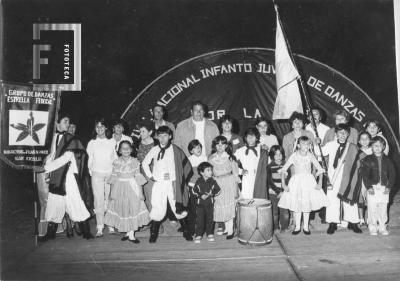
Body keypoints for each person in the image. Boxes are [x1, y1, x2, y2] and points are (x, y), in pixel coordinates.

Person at [37, 114, 94, 241]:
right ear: (57, 124)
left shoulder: (71, 139)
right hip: (55, 176)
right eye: (65, 122)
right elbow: (52, 156)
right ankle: (50, 233)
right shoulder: (51, 139)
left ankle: (86, 231)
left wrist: (45, 169)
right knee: (54, 202)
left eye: (68, 122)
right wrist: (45, 168)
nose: (68, 125)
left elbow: (65, 158)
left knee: (75, 201)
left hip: (68, 176)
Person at [142, 126, 193, 243]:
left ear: (170, 136)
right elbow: (145, 163)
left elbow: (185, 165)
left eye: (165, 135)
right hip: (159, 184)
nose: (162, 138)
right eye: (160, 136)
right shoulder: (154, 149)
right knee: (157, 206)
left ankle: (186, 231)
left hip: (173, 183)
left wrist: (177, 178)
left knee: (177, 207)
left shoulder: (176, 149)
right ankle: (154, 233)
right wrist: (152, 176)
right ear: (157, 137)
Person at [278, 136, 328, 235]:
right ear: (298, 145)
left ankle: (305, 226)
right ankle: (297, 227)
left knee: (306, 204)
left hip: (308, 182)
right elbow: (284, 170)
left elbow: (320, 169)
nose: (306, 146)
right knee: (297, 205)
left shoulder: (310, 156)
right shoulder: (294, 156)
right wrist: (283, 184)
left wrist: (320, 182)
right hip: (296, 182)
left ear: (310, 145)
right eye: (303, 144)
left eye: (308, 144)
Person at [104, 141, 150, 243]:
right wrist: (111, 193)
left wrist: (141, 193)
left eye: (128, 148)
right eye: (123, 148)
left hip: (132, 188)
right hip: (119, 188)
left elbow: (138, 178)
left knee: (132, 209)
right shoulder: (116, 162)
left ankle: (132, 234)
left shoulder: (134, 162)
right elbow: (113, 178)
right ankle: (127, 232)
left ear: (131, 150)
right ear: (119, 151)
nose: (126, 150)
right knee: (123, 209)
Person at [320, 124, 361, 234]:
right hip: (333, 176)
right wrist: (316, 143)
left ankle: (353, 222)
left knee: (349, 198)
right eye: (340, 132)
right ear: (336, 134)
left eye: (345, 133)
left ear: (348, 134)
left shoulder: (352, 146)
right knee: (332, 199)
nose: (342, 135)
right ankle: (333, 223)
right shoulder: (330, 144)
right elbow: (320, 152)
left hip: (347, 176)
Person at [86, 118, 118, 237]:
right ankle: (100, 227)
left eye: (102, 127)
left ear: (106, 128)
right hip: (96, 174)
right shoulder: (91, 143)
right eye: (97, 127)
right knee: (98, 200)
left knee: (109, 199)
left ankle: (110, 225)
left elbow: (114, 158)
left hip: (109, 173)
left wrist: (114, 172)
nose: (99, 129)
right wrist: (92, 172)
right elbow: (89, 160)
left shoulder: (111, 142)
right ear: (95, 129)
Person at [361, 136, 395, 235]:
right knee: (372, 208)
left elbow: (393, 174)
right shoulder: (367, 159)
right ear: (371, 146)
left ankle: (382, 226)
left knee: (383, 207)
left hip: (384, 188)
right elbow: (365, 175)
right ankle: (372, 227)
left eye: (380, 146)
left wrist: (389, 187)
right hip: (373, 188)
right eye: (375, 145)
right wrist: (369, 187)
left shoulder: (388, 160)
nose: (377, 147)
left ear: (383, 147)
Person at [337, 131, 372, 227]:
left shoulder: (374, 150)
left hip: (370, 179)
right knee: (360, 198)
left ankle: (370, 218)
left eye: (367, 139)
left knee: (370, 199)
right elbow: (351, 163)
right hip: (359, 179)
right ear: (359, 141)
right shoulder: (355, 150)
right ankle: (361, 219)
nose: (364, 141)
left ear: (370, 140)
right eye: (362, 139)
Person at [208, 136, 240, 239]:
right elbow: (209, 174)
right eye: (218, 144)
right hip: (217, 183)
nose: (220, 146)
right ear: (215, 146)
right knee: (221, 205)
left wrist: (236, 189)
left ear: (226, 145)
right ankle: (226, 228)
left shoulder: (230, 157)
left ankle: (231, 230)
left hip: (229, 182)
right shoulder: (211, 158)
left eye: (223, 144)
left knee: (229, 206)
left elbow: (235, 174)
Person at [234, 127, 269, 200]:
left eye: (253, 136)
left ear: (257, 138)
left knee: (259, 200)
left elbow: (267, 164)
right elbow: (230, 163)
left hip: (259, 178)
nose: (250, 138)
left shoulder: (261, 150)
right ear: (245, 138)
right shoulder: (240, 150)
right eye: (248, 136)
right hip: (247, 178)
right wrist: (240, 171)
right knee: (247, 199)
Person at [192, 162, 221, 243]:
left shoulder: (213, 181)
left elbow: (218, 190)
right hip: (200, 204)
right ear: (202, 172)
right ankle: (198, 234)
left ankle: (210, 233)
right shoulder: (198, 181)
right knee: (200, 220)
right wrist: (201, 195)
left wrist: (211, 194)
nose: (211, 172)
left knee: (210, 219)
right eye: (208, 170)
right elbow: (194, 191)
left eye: (211, 170)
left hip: (210, 204)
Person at [187, 139, 208, 237]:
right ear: (191, 151)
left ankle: (203, 229)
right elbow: (186, 175)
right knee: (193, 208)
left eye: (199, 147)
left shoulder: (205, 158)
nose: (198, 149)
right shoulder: (189, 160)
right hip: (193, 187)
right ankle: (192, 229)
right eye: (195, 148)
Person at [267, 145, 290, 232]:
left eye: (280, 154)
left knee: (285, 213)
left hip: (284, 193)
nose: (278, 157)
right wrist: (277, 192)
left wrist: (283, 191)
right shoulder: (270, 166)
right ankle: (276, 227)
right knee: (275, 212)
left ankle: (284, 227)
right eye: (276, 155)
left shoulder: (285, 165)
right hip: (273, 193)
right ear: (272, 155)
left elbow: (288, 179)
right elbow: (269, 181)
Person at [136, 123, 156, 211]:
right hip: (140, 172)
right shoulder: (137, 143)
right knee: (143, 195)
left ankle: (155, 215)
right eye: (140, 132)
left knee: (152, 194)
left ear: (150, 132)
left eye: (143, 131)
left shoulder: (156, 143)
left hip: (152, 171)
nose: (141, 134)